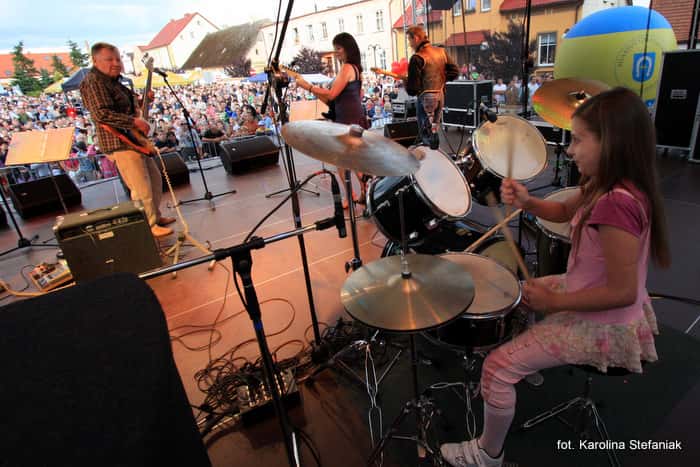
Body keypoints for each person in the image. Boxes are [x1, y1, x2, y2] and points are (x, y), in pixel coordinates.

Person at [440, 87, 671, 467]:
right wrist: (527, 202)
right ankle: (529, 362)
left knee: (496, 367)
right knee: (515, 293)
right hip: (589, 295)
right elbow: (564, 211)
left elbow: (623, 291)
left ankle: (487, 454)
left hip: (604, 323)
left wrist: (555, 302)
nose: (570, 149)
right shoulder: (607, 184)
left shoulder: (616, 204)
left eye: (578, 140)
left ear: (611, 143)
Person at [80, 42, 174, 238]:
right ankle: (148, 225)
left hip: (135, 140)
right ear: (95, 61)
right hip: (121, 142)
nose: (116, 63)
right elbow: (102, 114)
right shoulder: (93, 82)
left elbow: (124, 107)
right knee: (140, 187)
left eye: (118, 59)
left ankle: (155, 217)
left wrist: (142, 102)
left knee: (154, 180)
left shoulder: (113, 82)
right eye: (109, 59)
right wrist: (134, 122)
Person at [296, 32, 368, 208]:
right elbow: (337, 99)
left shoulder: (347, 68)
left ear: (347, 48)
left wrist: (308, 86)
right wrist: (315, 92)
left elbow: (332, 94)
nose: (336, 53)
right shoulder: (356, 68)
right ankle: (364, 193)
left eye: (338, 49)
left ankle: (354, 194)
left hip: (346, 119)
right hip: (353, 116)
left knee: (343, 161)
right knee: (352, 159)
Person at [404, 25, 459, 147]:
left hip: (425, 99)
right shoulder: (441, 52)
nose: (409, 44)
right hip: (440, 96)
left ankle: (429, 151)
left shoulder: (417, 58)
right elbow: (455, 72)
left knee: (427, 138)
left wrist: (405, 82)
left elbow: (413, 89)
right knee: (434, 130)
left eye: (409, 40)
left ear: (416, 38)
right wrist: (441, 80)